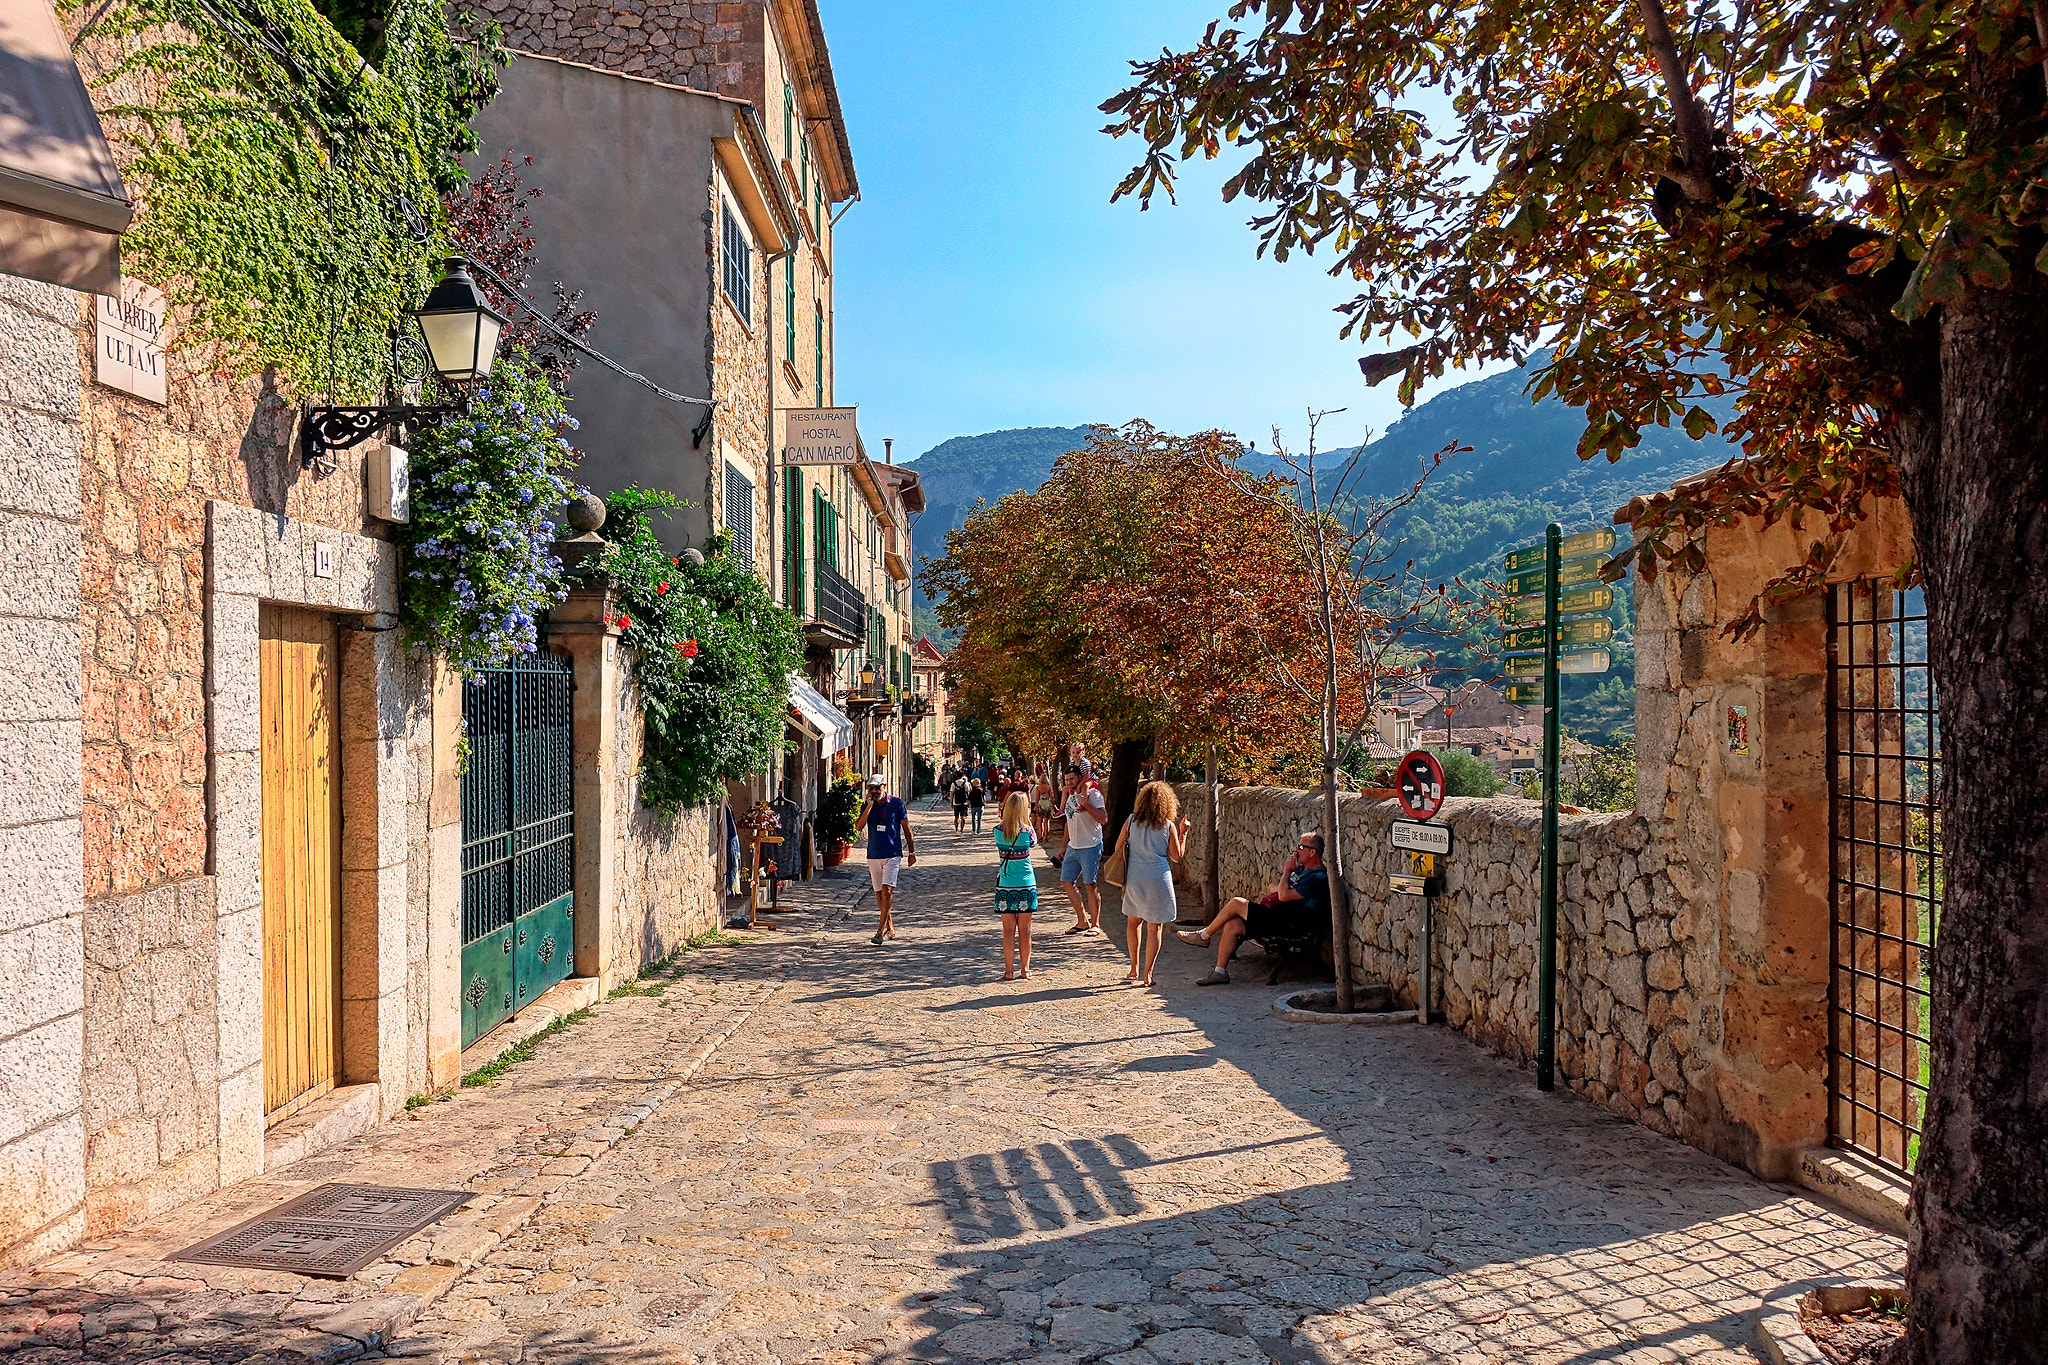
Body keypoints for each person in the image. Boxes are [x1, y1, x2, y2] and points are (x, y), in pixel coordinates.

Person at [1179, 832, 1329, 986]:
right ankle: (1219, 972)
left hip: (1289, 925)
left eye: (1302, 847)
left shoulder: (1316, 877)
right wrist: (1284, 886)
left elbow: (1282, 895)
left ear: (1312, 852)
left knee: (1237, 903)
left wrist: (1286, 872)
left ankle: (1204, 936)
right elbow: (1273, 886)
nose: (1297, 850)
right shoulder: (1301, 870)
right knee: (1232, 925)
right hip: (1276, 917)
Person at [1112, 781, 1191, 985]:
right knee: (1155, 927)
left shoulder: (1131, 821)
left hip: (1135, 876)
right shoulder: (1167, 826)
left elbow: (1118, 847)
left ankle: (1133, 967)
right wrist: (1183, 833)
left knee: (1133, 923)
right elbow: (1176, 856)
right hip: (1158, 878)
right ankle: (1148, 973)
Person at [858, 774, 916, 945]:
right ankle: (890, 926)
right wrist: (868, 807)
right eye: (871, 788)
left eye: (877, 787)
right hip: (874, 854)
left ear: (884, 786)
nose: (874, 791)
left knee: (887, 892)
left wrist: (911, 852)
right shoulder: (867, 805)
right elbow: (859, 826)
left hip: (893, 853)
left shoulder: (897, 803)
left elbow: (906, 828)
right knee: (879, 895)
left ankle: (879, 932)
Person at [992, 791, 1038, 980]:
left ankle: (1008, 970)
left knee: (1008, 930)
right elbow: (1034, 843)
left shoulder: (998, 831)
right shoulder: (1028, 832)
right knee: (1025, 930)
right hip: (1026, 884)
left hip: (1005, 885)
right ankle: (1025, 969)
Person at [1058, 767, 1109, 934]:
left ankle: (1096, 924)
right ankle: (1082, 921)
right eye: (1066, 780)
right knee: (1066, 881)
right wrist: (1064, 845)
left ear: (1080, 778)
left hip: (1090, 846)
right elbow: (1069, 821)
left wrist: (1085, 804)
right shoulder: (1069, 795)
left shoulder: (1093, 794)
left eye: (1072, 779)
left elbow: (1103, 819)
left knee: (1090, 884)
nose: (1069, 783)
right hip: (1074, 846)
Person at [1031, 763, 1055, 845]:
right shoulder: (1049, 787)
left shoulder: (1038, 787)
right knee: (1046, 822)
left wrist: (1035, 806)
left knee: (1039, 822)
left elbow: (1037, 798)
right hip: (1047, 804)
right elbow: (1052, 796)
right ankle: (1045, 837)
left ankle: (1040, 836)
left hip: (1041, 804)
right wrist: (1053, 804)